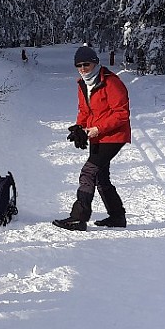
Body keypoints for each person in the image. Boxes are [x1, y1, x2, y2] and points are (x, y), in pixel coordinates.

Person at [53, 46, 131, 231]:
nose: (82, 68)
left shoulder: (111, 83)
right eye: (78, 65)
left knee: (88, 173)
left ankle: (78, 218)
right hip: (97, 135)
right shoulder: (83, 83)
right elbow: (85, 110)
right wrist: (79, 127)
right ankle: (117, 217)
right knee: (101, 177)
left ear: (95, 62)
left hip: (114, 136)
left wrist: (99, 128)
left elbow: (122, 114)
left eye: (86, 64)